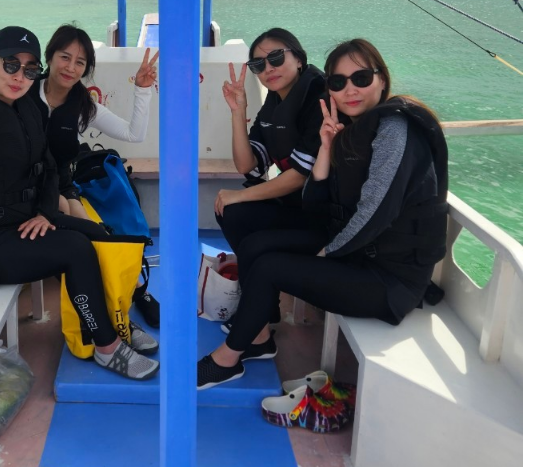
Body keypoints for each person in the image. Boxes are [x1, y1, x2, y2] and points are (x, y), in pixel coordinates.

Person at [197, 39, 448, 389]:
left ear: (382, 80)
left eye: (361, 78)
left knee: (269, 267)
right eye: (338, 82)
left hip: (389, 280)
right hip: (357, 254)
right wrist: (327, 149)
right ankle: (256, 338)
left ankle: (226, 359)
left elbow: (375, 212)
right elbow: (315, 204)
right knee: (254, 248)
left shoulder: (394, 130)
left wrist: (326, 255)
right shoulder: (347, 128)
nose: (350, 90)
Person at [0, 25, 159, 381]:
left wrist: (45, 211)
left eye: (28, 69)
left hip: (19, 220)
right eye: (10, 65)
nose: (19, 76)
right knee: (76, 250)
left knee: (98, 235)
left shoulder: (24, 106)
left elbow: (47, 165)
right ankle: (106, 347)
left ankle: (116, 321)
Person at [32, 23, 161, 328]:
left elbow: (133, 133)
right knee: (80, 241)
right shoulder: (24, 92)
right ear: (49, 57)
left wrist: (142, 89)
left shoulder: (83, 108)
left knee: (100, 237)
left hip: (62, 187)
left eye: (80, 62)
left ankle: (130, 296)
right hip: (27, 189)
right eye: (65, 57)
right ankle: (110, 317)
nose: (71, 68)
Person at [214, 27, 327, 335]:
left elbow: (299, 176)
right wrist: (238, 112)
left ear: (299, 59)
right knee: (229, 211)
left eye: (276, 58)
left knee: (253, 243)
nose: (268, 68)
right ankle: (264, 307)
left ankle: (256, 317)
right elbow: (248, 166)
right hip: (296, 209)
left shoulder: (319, 100)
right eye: (258, 64)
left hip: (324, 219)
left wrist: (239, 195)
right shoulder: (274, 104)